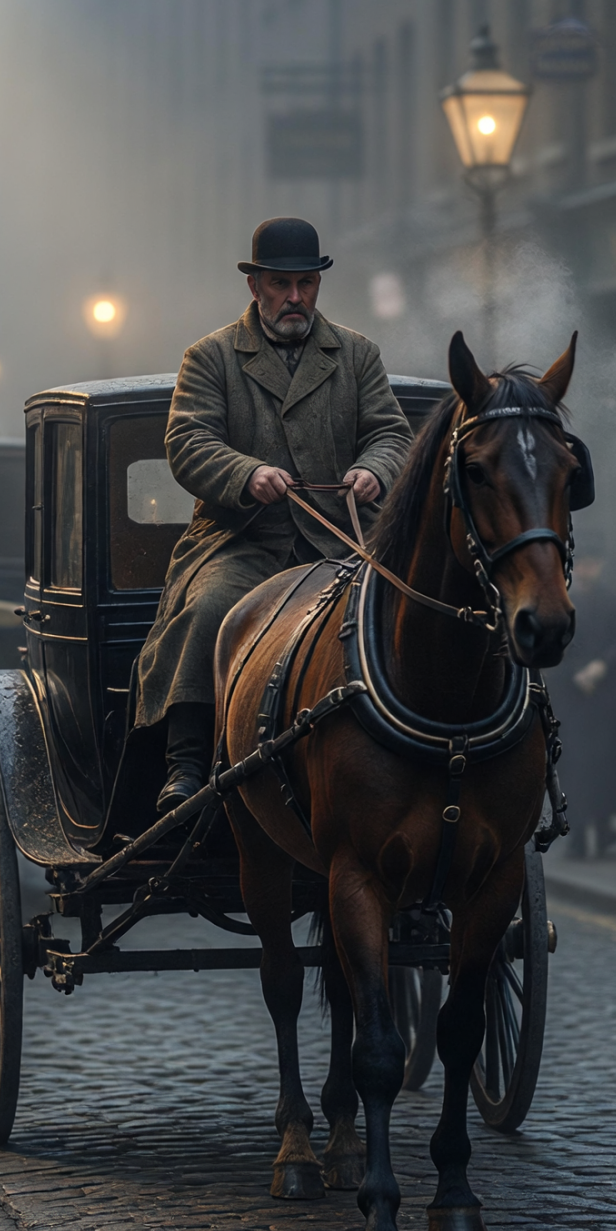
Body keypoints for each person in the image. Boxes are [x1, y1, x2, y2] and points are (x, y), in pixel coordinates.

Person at [135, 216, 412, 810]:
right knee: (208, 607)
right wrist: (246, 474)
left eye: (306, 284)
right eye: (281, 284)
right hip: (243, 541)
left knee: (403, 615)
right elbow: (187, 442)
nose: (295, 297)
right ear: (254, 285)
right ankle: (185, 764)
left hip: (340, 544)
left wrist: (375, 469)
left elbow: (392, 434)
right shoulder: (210, 358)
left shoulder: (358, 355)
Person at [559, 540, 616, 858]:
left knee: (603, 764)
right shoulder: (564, 601)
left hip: (603, 697)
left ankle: (602, 830)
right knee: (573, 766)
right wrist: (577, 673)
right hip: (573, 698)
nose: (588, 568)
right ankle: (576, 837)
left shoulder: (614, 602)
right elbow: (559, 644)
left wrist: (601, 667)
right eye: (583, 563)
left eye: (593, 563)